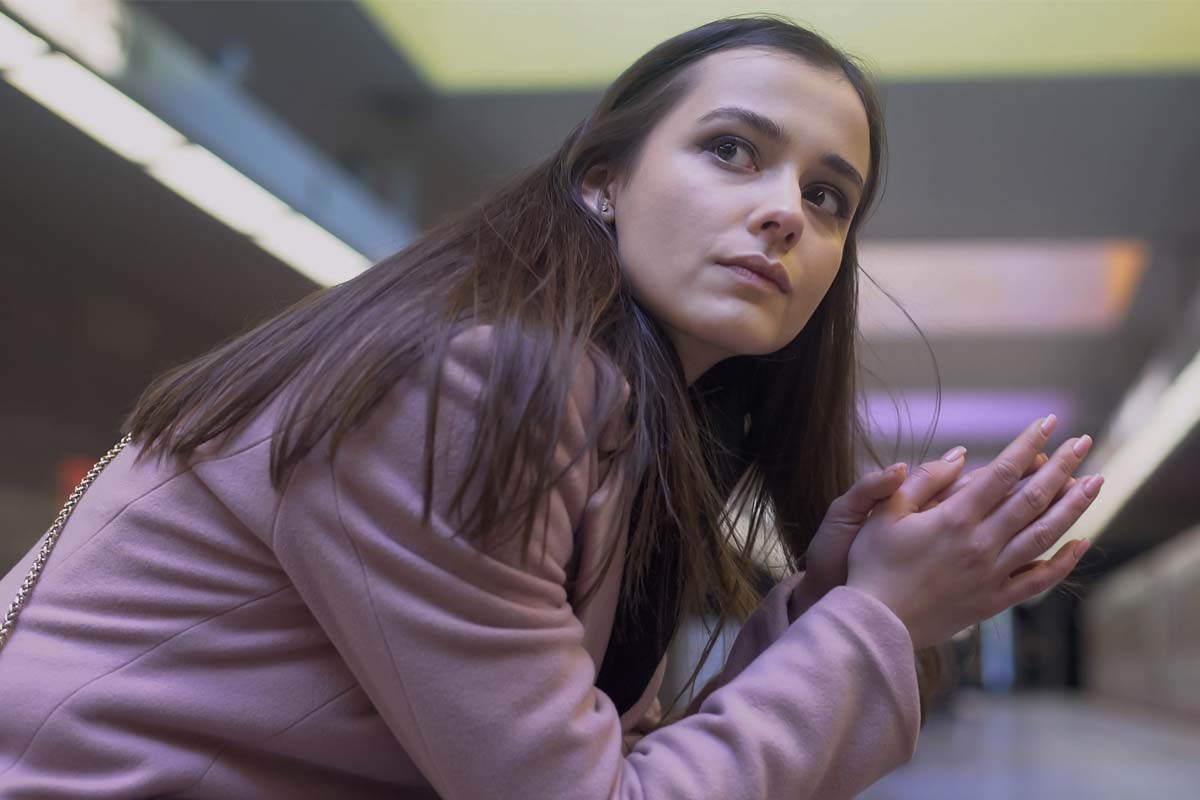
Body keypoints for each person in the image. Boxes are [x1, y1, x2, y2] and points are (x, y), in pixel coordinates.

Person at [0, 14, 1102, 798]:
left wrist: (828, 597)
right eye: (732, 151)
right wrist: (883, 618)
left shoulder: (623, 421)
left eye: (827, 197)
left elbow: (616, 748)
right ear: (602, 181)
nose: (784, 213)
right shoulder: (481, 387)